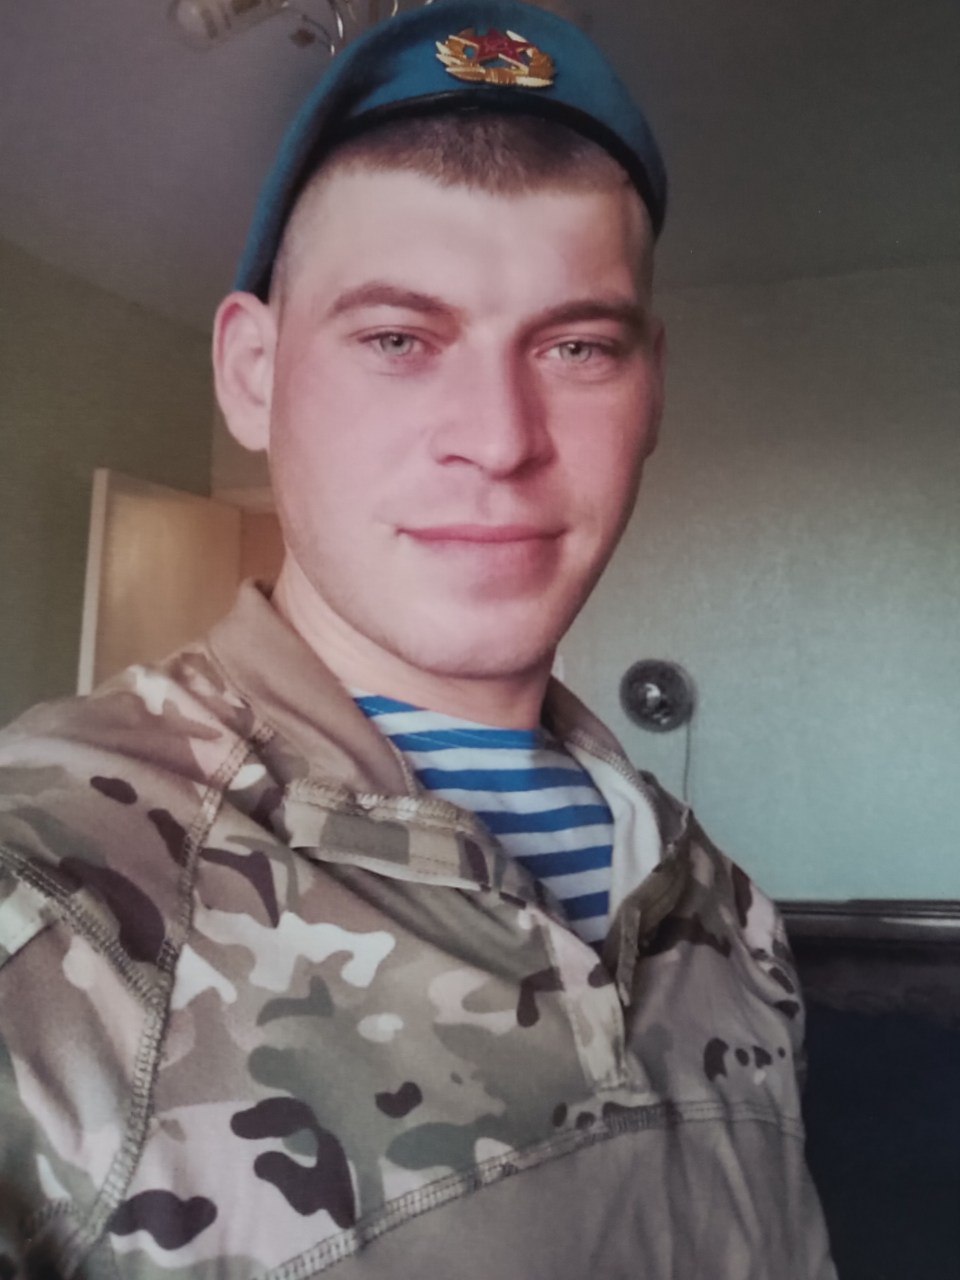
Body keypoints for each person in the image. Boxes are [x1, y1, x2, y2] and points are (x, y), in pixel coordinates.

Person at [0, 1, 835, 1275]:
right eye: (398, 339)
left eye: (577, 345)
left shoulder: (721, 906)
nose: (499, 439)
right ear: (253, 372)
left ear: (651, 385)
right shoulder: (53, 905)